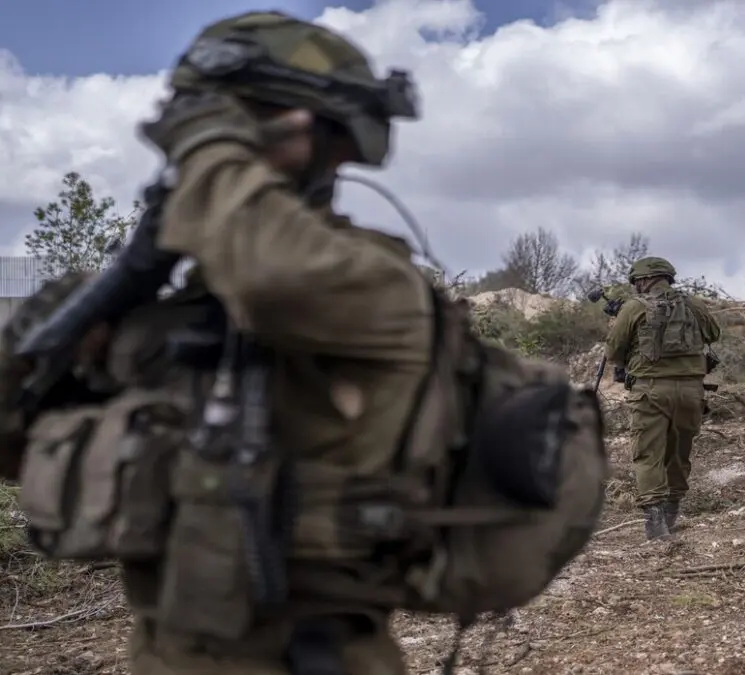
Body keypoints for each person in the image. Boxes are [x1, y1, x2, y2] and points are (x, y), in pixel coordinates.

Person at [3, 11, 609, 675]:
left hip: (315, 655)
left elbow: (266, 272)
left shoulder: (374, 289)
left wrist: (209, 149)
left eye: (232, 121)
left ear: (320, 137)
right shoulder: (171, 313)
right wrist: (60, 335)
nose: (198, 141)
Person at [605, 256, 721, 540]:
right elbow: (713, 334)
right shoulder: (693, 304)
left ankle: (656, 526)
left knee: (649, 454)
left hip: (650, 391)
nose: (636, 287)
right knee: (679, 453)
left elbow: (614, 352)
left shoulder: (634, 307)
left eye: (637, 282)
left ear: (645, 280)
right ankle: (672, 512)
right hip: (692, 392)